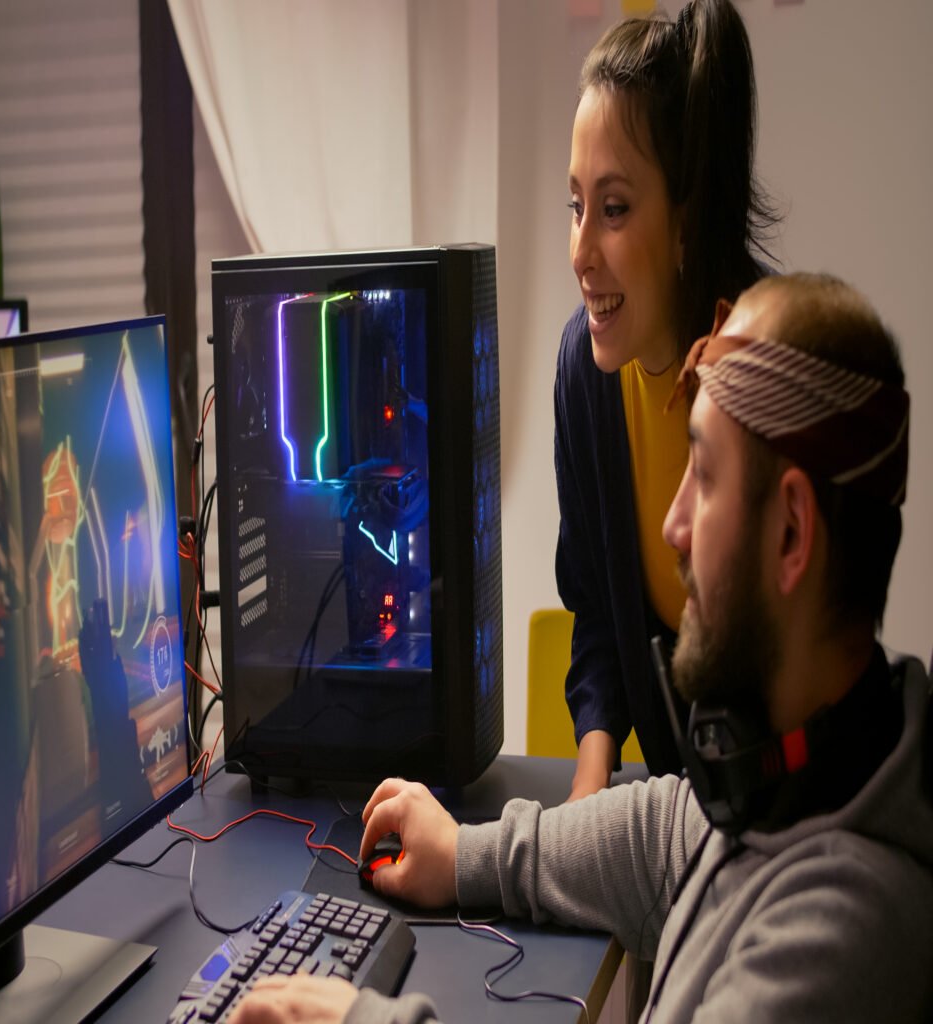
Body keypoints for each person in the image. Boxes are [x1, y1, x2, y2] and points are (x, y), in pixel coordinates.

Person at [228, 272, 933, 1023]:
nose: (673, 523)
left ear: (791, 531)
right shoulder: (805, 776)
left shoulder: (841, 937)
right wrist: (466, 855)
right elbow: (665, 833)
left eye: (705, 474)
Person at [556, 0, 778, 801]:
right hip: (670, 809)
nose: (581, 253)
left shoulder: (764, 368)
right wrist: (589, 784)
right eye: (575, 206)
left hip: (775, 818)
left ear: (685, 221)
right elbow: (595, 612)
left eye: (613, 210)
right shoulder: (583, 376)